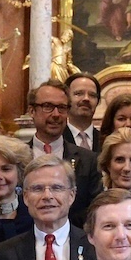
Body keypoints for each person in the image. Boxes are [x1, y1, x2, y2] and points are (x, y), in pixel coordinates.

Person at [0, 156, 97, 260]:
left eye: (56, 188)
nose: (47, 196)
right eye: (37, 189)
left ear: (72, 195)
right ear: (26, 197)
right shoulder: (4, 255)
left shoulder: (95, 247)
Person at [27, 80, 101, 223]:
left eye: (61, 108)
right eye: (48, 106)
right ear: (32, 111)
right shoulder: (16, 158)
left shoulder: (88, 160)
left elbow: (94, 210)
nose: (56, 114)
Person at [66, 72, 103, 151]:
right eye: (79, 94)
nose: (86, 98)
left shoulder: (105, 141)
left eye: (92, 95)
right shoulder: (56, 138)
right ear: (66, 99)